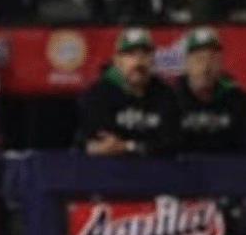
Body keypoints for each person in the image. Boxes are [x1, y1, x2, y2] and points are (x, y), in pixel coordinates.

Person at [75, 27, 179, 157]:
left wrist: (128, 146)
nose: (138, 61)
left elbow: (171, 144)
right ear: (117, 60)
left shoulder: (166, 95)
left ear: (153, 58)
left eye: (144, 54)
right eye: (131, 54)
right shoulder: (98, 95)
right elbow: (99, 143)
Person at [173, 27, 246, 154]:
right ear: (187, 63)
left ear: (220, 62)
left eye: (212, 59)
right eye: (199, 59)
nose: (206, 67)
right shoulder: (171, 100)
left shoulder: (235, 99)